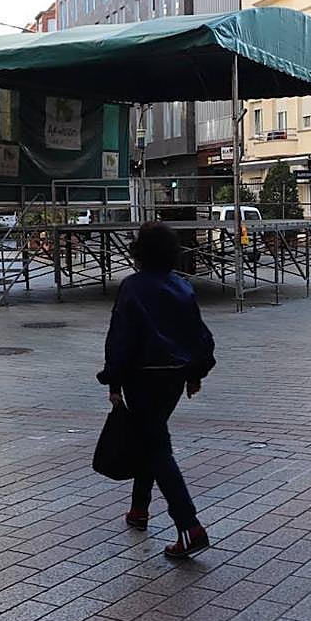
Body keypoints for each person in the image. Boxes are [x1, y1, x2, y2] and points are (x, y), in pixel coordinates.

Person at [98, 221, 216, 559]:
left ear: (140, 252)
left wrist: (114, 381)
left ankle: (190, 525)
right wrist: (195, 374)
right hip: (174, 379)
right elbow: (199, 336)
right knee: (151, 438)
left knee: (157, 448)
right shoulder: (182, 287)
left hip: (142, 378)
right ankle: (139, 510)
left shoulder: (132, 288)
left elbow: (121, 338)